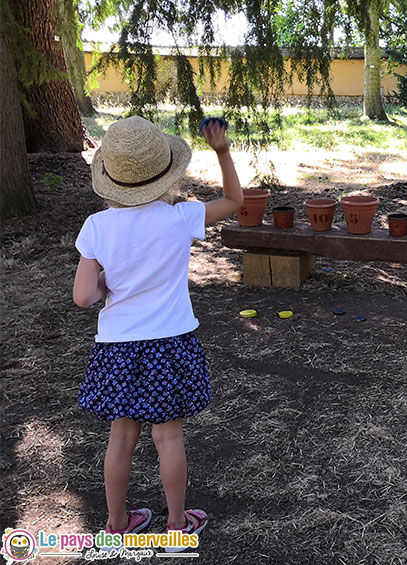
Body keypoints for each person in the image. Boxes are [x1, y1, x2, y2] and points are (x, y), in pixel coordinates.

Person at [72, 115, 242, 552]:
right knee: (168, 436)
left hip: (117, 348)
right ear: (164, 172)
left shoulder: (96, 227)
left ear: (111, 176)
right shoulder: (179, 217)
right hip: (170, 345)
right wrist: (222, 152)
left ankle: (116, 522)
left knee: (121, 437)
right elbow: (233, 201)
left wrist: (108, 282)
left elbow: (84, 297)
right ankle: (175, 524)